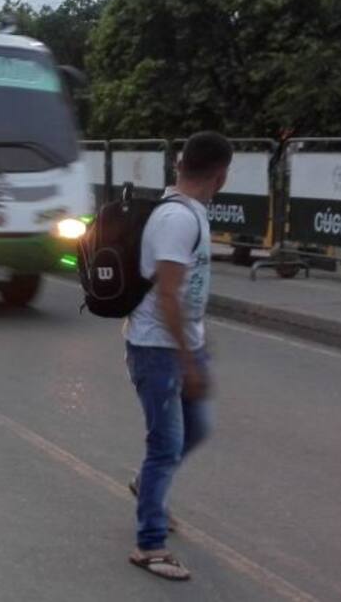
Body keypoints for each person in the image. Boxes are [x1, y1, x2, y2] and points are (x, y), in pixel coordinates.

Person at [125, 131, 232, 582]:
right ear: (221, 175)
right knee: (165, 445)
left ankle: (147, 486)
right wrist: (188, 359)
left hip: (180, 343)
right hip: (158, 348)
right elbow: (167, 294)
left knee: (196, 428)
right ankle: (150, 544)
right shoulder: (177, 219)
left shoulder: (192, 213)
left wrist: (198, 344)